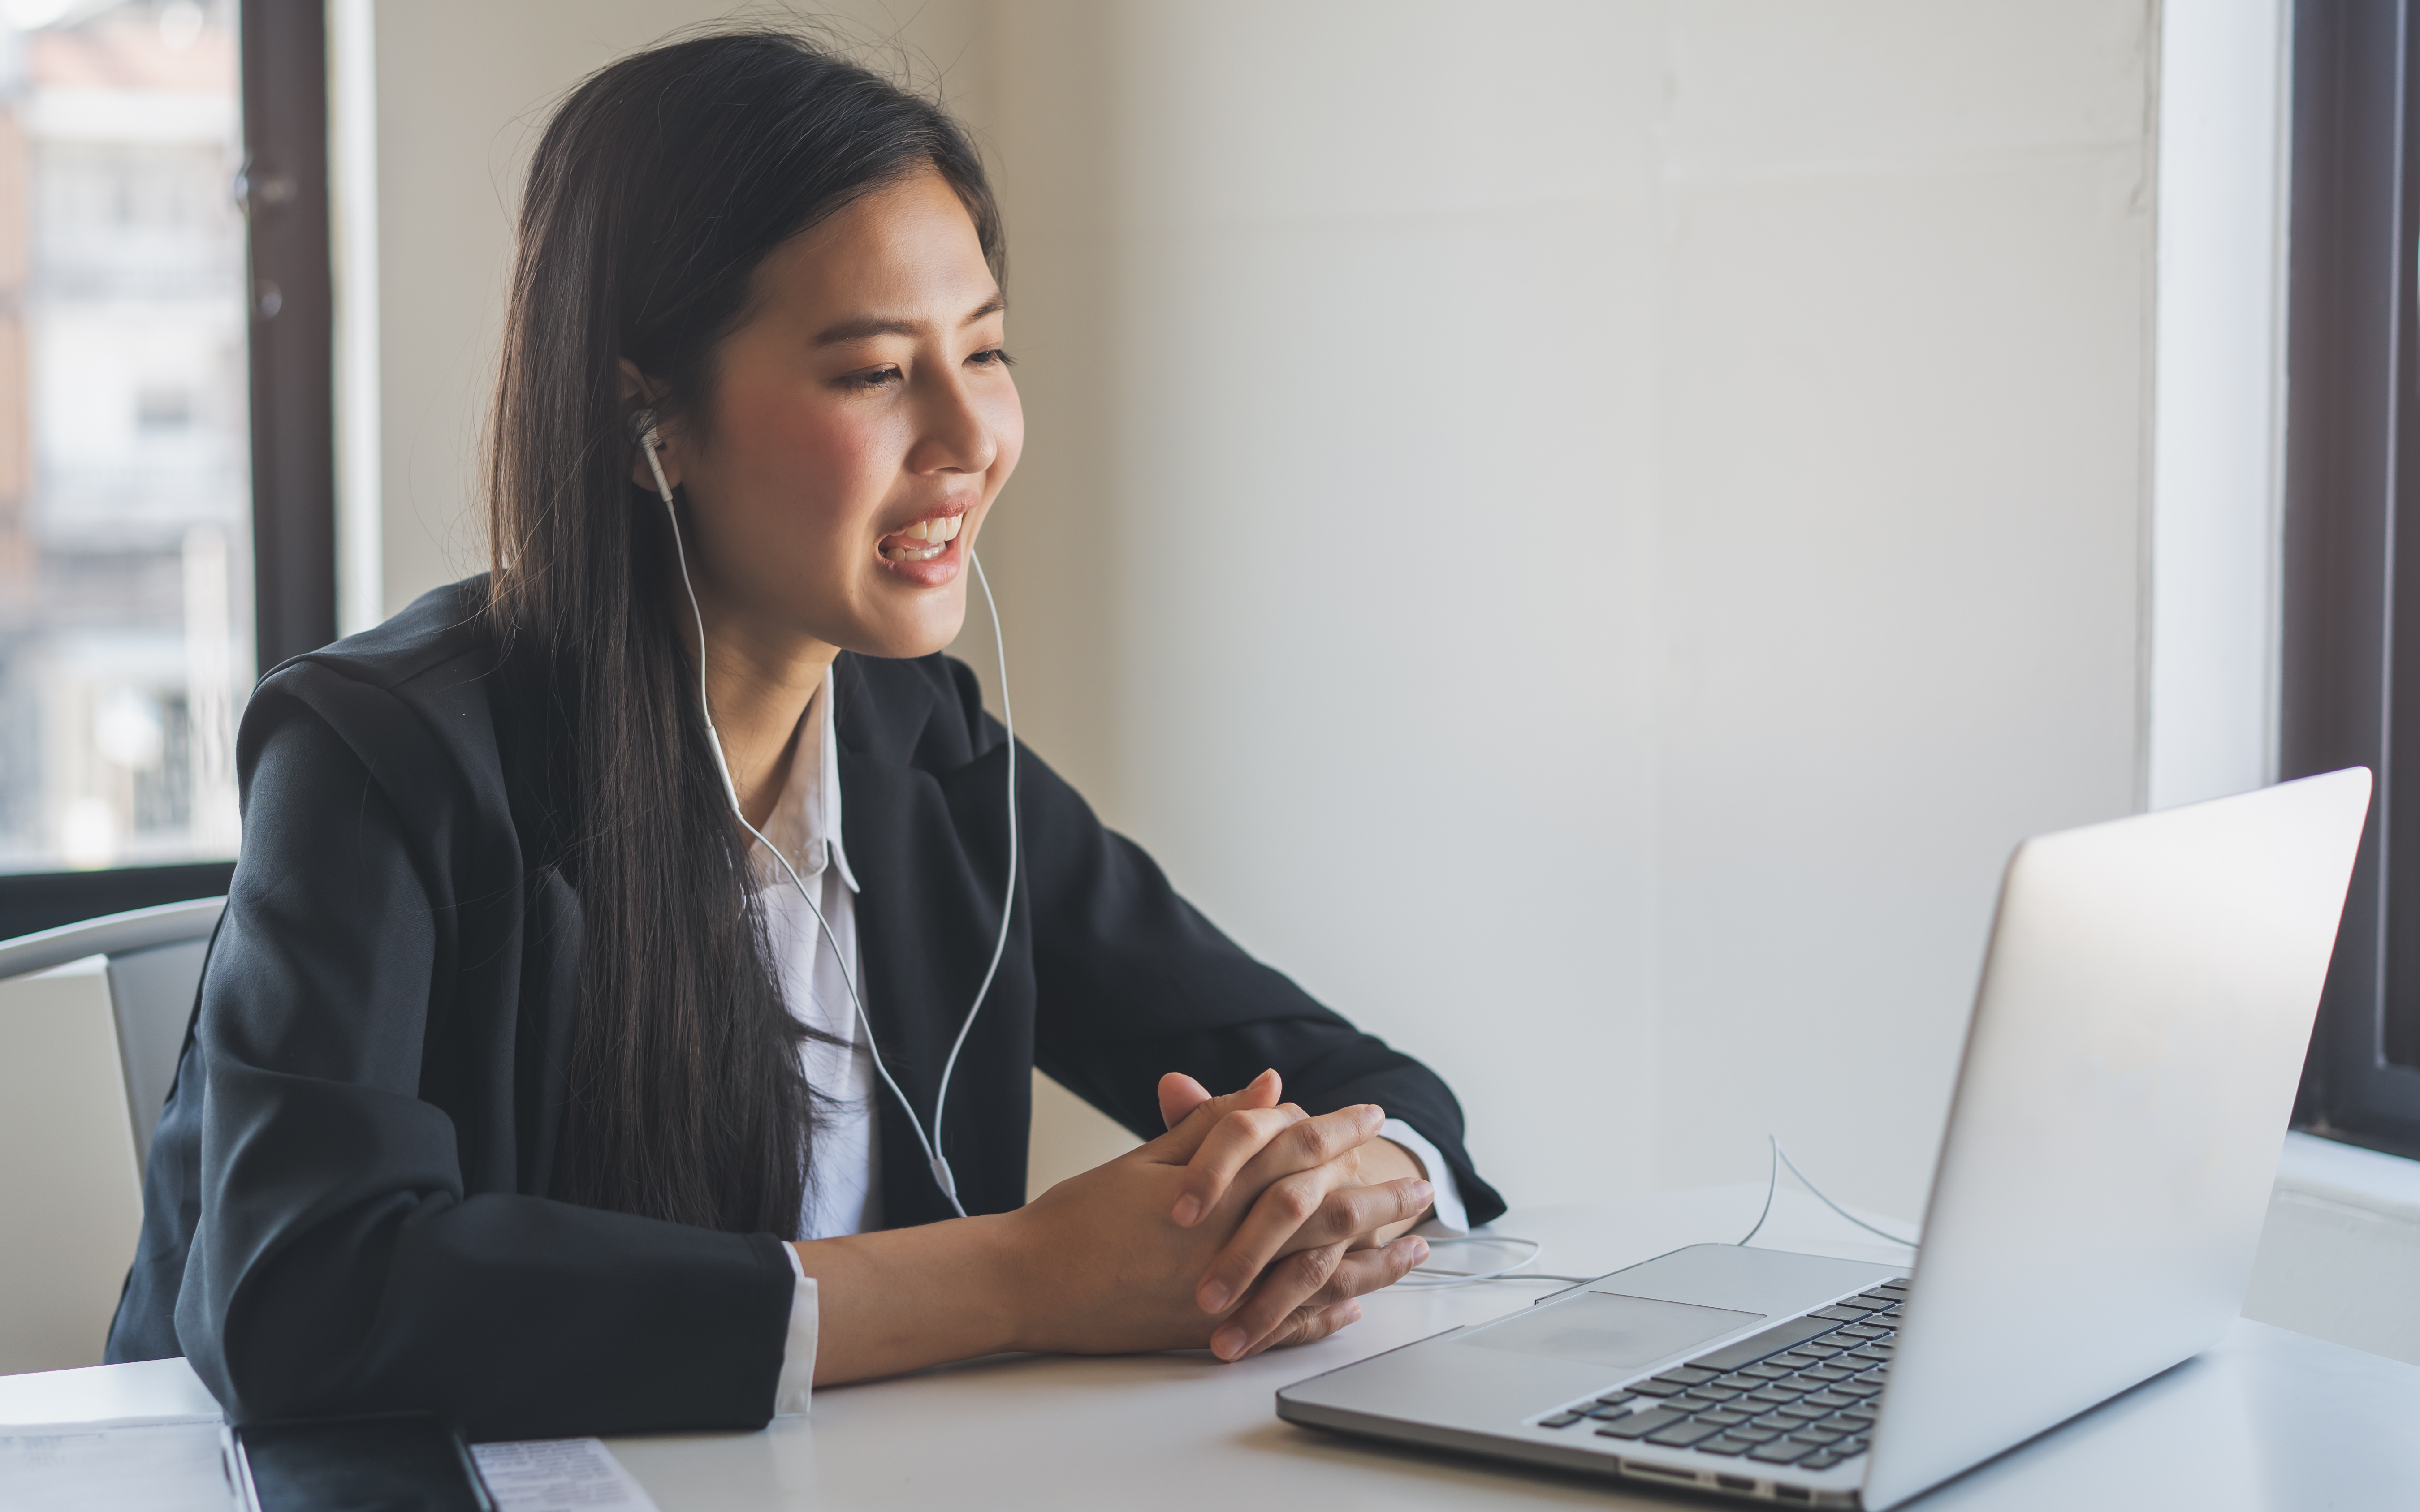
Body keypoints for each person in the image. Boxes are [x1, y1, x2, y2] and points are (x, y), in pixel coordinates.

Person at [104, 30, 1500, 1440]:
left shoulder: (924, 748)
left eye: (986, 350)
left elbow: (1364, 1084)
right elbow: (306, 1297)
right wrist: (1022, 1278)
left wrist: (1354, 1181)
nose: (971, 436)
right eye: (876, 372)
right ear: (648, 412)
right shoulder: (379, 758)